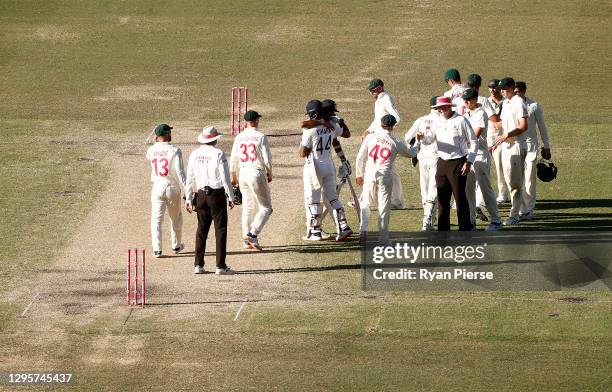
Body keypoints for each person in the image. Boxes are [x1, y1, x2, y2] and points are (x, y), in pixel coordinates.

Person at [356, 114, 419, 244]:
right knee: (383, 208)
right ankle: (383, 241)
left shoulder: (371, 137)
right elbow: (411, 153)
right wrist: (418, 141)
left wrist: (359, 174)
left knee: (365, 203)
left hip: (369, 174)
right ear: (393, 126)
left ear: (381, 124)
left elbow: (360, 157)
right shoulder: (395, 142)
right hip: (385, 176)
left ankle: (363, 232)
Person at [185, 126, 235, 275]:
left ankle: (198, 265)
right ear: (214, 139)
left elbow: (189, 178)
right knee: (220, 230)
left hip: (200, 195)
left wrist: (188, 198)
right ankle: (220, 266)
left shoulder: (194, 154)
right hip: (216, 194)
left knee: (201, 230)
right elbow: (225, 178)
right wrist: (231, 197)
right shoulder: (219, 153)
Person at [300, 100, 353, 241]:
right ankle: (343, 227)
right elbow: (346, 134)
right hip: (329, 166)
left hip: (314, 167)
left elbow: (302, 153)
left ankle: (315, 231)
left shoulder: (309, 130)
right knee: (333, 198)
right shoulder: (332, 126)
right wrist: (340, 122)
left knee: (313, 199)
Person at [424, 96, 478, 231]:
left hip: (458, 162)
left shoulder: (461, 120)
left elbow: (474, 141)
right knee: (442, 198)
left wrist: (469, 161)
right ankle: (443, 230)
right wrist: (422, 137)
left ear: (449, 107)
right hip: (442, 163)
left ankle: (465, 228)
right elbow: (430, 139)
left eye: (442, 107)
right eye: (438, 108)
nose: (440, 110)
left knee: (459, 197)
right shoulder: (437, 121)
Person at [230, 110, 273, 251]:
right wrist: (270, 173)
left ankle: (246, 240)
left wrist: (233, 176)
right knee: (266, 208)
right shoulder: (261, 136)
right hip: (256, 172)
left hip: (243, 173)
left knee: (247, 208)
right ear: (256, 120)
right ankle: (253, 234)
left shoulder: (239, 137)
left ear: (245, 122)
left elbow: (234, 159)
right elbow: (267, 159)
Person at [461, 89, 503, 231]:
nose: (465, 102)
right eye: (464, 100)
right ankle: (471, 221)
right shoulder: (465, 113)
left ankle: (496, 221)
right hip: (468, 156)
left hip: (480, 156)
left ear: (475, 99)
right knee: (468, 190)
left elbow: (475, 135)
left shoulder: (481, 113)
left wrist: (459, 141)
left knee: (485, 189)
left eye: (468, 100)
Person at [361, 78, 406, 209]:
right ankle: (398, 201)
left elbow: (396, 118)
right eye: (371, 91)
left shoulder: (385, 98)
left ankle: (364, 200)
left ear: (380, 87)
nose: (372, 93)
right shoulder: (380, 100)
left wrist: (387, 129)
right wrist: (368, 130)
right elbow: (377, 120)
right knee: (391, 170)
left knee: (374, 165)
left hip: (383, 138)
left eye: (373, 90)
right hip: (380, 135)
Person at [492, 77, 529, 226]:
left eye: (505, 88)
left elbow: (523, 126)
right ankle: (524, 210)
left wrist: (506, 135)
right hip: (505, 146)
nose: (502, 91)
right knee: (509, 181)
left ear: (512, 87)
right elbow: (503, 123)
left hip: (516, 146)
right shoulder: (506, 103)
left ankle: (515, 215)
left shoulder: (519, 102)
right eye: (501, 88)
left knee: (515, 183)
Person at [146, 123, 186, 258]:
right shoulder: (175, 150)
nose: (171, 134)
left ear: (157, 137)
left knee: (156, 220)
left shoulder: (151, 150)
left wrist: (154, 143)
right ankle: (176, 245)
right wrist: (188, 190)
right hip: (172, 187)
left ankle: (157, 250)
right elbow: (180, 172)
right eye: (170, 132)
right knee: (176, 217)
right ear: (167, 133)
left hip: (157, 186)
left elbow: (149, 156)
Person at [515, 81, 552, 220]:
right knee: (517, 179)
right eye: (515, 92)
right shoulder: (509, 105)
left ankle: (528, 209)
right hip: (515, 146)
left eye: (518, 92)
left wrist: (546, 146)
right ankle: (518, 207)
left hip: (531, 146)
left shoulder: (534, 106)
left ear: (524, 92)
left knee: (529, 179)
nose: (516, 94)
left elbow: (542, 127)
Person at [404, 96, 440, 231]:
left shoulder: (421, 120)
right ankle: (428, 221)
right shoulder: (442, 120)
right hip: (437, 158)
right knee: (434, 189)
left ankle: (430, 219)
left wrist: (416, 145)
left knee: (425, 189)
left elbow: (407, 137)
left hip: (422, 157)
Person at [484, 78, 509, 204]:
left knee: (500, 167)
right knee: (485, 169)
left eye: (495, 88)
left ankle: (503, 194)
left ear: (500, 89)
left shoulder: (506, 102)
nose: (492, 90)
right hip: (488, 138)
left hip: (502, 139)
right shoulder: (485, 102)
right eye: (490, 87)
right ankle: (483, 196)